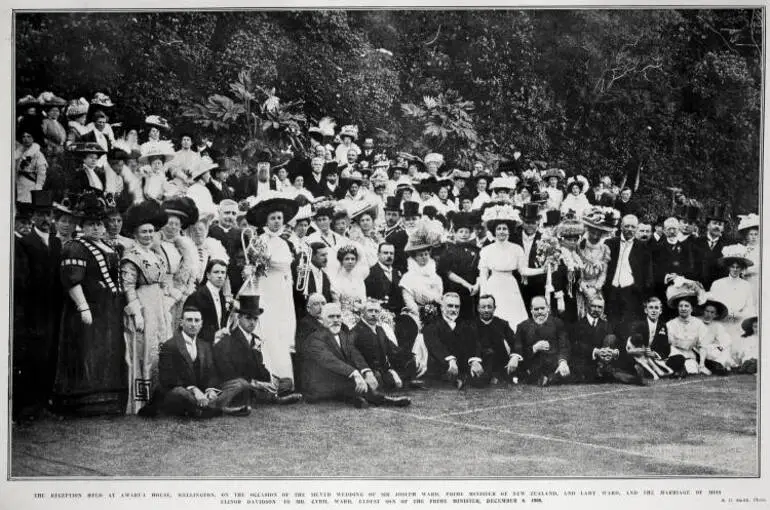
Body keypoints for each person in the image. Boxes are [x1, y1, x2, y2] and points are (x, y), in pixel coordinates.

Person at [53, 192, 126, 415]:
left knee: (106, 351)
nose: (96, 228)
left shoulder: (108, 246)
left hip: (108, 310)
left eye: (98, 224)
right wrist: (83, 307)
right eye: (90, 225)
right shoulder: (75, 247)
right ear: (82, 226)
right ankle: (81, 403)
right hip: (88, 310)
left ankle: (106, 400)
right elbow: (72, 280)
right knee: (86, 352)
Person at [301, 303, 410, 408]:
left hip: (338, 380)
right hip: (319, 386)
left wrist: (366, 371)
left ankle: (357, 398)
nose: (335, 320)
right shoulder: (314, 338)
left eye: (338, 317)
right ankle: (384, 400)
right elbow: (329, 360)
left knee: (366, 378)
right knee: (354, 382)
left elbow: (354, 354)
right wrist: (354, 373)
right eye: (331, 317)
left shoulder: (343, 335)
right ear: (322, 319)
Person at [121, 200, 173, 414]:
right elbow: (128, 287)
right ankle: (141, 402)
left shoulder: (157, 256)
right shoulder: (130, 257)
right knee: (143, 351)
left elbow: (164, 283)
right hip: (143, 306)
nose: (149, 235)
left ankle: (160, 398)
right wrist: (137, 314)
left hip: (158, 305)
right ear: (135, 233)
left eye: (151, 231)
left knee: (161, 349)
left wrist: (166, 302)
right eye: (144, 232)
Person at [15, 191, 63, 420]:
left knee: (51, 356)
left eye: (49, 215)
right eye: (41, 214)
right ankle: (28, 407)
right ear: (32, 217)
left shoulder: (55, 242)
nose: (46, 219)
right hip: (34, 312)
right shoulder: (25, 243)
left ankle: (44, 403)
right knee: (34, 357)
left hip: (53, 311)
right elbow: (23, 282)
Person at [156, 305, 251, 418]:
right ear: (181, 323)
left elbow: (211, 372)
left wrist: (210, 390)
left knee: (241, 383)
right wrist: (194, 390)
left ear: (201, 324)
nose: (193, 324)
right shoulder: (169, 345)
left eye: (197, 321)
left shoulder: (205, 345)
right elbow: (167, 378)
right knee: (179, 393)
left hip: (202, 394)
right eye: (189, 320)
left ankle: (205, 409)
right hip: (182, 392)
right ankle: (220, 409)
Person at [245, 192, 300, 388]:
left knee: (280, 330)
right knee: (266, 328)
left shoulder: (285, 243)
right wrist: (255, 264)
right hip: (264, 289)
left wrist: (266, 259)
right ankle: (267, 378)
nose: (277, 222)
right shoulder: (258, 240)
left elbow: (285, 265)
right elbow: (252, 262)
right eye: (273, 218)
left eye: (279, 218)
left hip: (280, 290)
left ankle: (284, 379)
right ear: (266, 221)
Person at [213, 295, 302, 405]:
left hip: (254, 383)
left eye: (255, 319)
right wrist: (257, 383)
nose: (252, 322)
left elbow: (259, 366)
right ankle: (274, 398)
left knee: (286, 381)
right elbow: (229, 372)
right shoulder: (228, 340)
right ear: (239, 317)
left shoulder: (255, 339)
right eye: (248, 318)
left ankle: (269, 394)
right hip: (238, 382)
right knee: (242, 386)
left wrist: (270, 379)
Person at [478, 204, 541, 331]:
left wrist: (542, 270)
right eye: (499, 229)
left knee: (514, 319)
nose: (502, 231)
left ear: (509, 231)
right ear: (494, 231)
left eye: (505, 229)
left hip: (510, 285)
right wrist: (483, 294)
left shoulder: (516, 249)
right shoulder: (486, 250)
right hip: (493, 285)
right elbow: (483, 275)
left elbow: (523, 270)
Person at [570, 296, 643, 385]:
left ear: (603, 309)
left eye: (599, 307)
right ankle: (606, 372)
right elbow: (576, 346)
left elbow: (617, 345)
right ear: (588, 306)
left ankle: (604, 369)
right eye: (594, 306)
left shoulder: (607, 325)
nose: (596, 309)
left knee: (611, 338)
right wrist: (596, 351)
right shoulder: (578, 325)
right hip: (587, 363)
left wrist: (614, 353)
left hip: (606, 362)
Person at [351, 299, 420, 391]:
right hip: (369, 372)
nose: (373, 314)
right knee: (380, 378)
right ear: (362, 313)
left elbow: (393, 349)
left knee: (409, 361)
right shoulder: (355, 332)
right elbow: (353, 354)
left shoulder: (380, 330)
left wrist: (412, 357)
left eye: (376, 311)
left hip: (383, 370)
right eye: (370, 311)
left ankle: (400, 380)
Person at [421, 293, 485, 388]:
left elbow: (475, 343)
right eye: (450, 306)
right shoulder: (432, 326)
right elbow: (435, 346)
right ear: (442, 307)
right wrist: (450, 360)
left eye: (457, 307)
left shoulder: (466, 325)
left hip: (462, 367)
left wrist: (474, 361)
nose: (454, 310)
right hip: (441, 367)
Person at [603, 214, 652, 328]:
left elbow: (647, 274)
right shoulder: (610, 243)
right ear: (621, 226)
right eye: (627, 226)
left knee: (627, 326)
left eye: (633, 227)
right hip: (611, 290)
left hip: (631, 292)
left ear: (636, 229)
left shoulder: (643, 248)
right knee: (611, 324)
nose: (630, 229)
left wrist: (643, 294)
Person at [512, 296, 571, 386]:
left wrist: (562, 362)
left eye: (542, 308)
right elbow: (518, 349)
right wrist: (534, 348)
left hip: (554, 366)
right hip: (532, 367)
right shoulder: (522, 327)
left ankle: (551, 378)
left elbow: (564, 345)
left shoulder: (558, 323)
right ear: (531, 310)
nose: (539, 312)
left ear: (548, 308)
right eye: (536, 309)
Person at [399, 219, 445, 324]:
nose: (424, 257)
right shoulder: (407, 278)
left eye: (426, 254)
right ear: (414, 257)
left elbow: (439, 296)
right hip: (416, 316)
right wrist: (422, 314)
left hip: (435, 314)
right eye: (420, 255)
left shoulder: (435, 277)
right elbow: (409, 302)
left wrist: (434, 311)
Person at [438, 211, 480, 320]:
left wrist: (476, 285)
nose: (464, 234)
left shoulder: (476, 250)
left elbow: (480, 270)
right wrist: (466, 284)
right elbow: (447, 272)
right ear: (455, 233)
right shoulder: (449, 250)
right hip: (454, 288)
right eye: (461, 231)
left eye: (467, 232)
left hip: (472, 290)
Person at [664, 281, 711, 377]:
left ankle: (684, 369)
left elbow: (703, 345)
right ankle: (677, 369)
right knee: (674, 361)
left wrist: (702, 364)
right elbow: (668, 344)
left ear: (691, 308)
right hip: (673, 356)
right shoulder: (670, 324)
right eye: (681, 306)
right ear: (677, 308)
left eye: (686, 306)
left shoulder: (699, 324)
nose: (683, 308)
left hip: (689, 357)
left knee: (691, 368)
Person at [709, 245, 755, 340]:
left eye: (738, 267)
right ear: (728, 267)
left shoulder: (746, 285)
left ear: (742, 268)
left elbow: (749, 307)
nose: (735, 269)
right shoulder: (717, 284)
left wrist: (738, 315)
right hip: (720, 323)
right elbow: (713, 304)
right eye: (732, 267)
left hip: (739, 324)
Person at [577, 206, 614, 319]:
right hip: (582, 286)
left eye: (598, 233)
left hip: (596, 289)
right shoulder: (580, 245)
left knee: (597, 314)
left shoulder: (605, 249)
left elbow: (604, 273)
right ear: (588, 230)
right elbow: (578, 270)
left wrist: (596, 288)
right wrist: (584, 287)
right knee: (582, 316)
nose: (595, 235)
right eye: (592, 232)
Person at [475, 294, 519, 384]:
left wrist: (514, 357)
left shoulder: (502, 324)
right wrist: (474, 361)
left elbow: (515, 342)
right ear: (478, 308)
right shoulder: (471, 325)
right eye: (483, 307)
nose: (486, 310)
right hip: (480, 365)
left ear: (494, 308)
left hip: (500, 365)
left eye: (489, 307)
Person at [187, 259, 230, 343]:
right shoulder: (196, 296)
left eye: (223, 272)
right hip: (201, 348)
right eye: (216, 272)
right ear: (208, 275)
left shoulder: (221, 296)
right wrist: (214, 335)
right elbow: (189, 327)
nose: (220, 276)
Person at [511, 203, 545, 310]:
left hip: (537, 283)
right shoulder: (514, 237)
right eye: (527, 222)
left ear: (538, 223)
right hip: (516, 282)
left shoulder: (544, 239)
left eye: (533, 223)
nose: (530, 226)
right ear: (522, 222)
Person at [330, 245, 368, 330]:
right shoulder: (336, 281)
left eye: (353, 259)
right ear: (341, 261)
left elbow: (363, 299)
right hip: (344, 315)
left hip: (361, 313)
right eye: (347, 259)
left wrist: (362, 309)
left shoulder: (359, 279)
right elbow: (337, 305)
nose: (350, 261)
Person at [693, 205, 730, 288]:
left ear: (723, 228)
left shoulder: (728, 245)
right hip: (698, 287)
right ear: (708, 225)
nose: (717, 226)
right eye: (714, 223)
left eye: (720, 224)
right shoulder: (696, 242)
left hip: (720, 288)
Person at [694, 297, 732, 375]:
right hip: (697, 350)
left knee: (725, 349)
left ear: (715, 315)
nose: (709, 314)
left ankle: (719, 366)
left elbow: (726, 340)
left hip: (710, 351)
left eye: (712, 312)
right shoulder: (696, 322)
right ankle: (704, 366)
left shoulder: (717, 326)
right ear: (703, 311)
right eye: (707, 311)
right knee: (702, 347)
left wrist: (719, 348)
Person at [365, 242, 404, 314]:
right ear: (378, 255)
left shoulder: (397, 273)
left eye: (391, 253)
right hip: (379, 315)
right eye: (385, 253)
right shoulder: (370, 273)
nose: (389, 256)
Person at [15, 123, 48, 203]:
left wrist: (38, 187)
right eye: (24, 136)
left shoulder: (37, 154)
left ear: (33, 138)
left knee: (27, 206)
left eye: (29, 136)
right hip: (17, 184)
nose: (26, 139)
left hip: (30, 186)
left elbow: (41, 172)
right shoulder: (18, 153)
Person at [736, 213, 759, 307]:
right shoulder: (742, 249)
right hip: (743, 280)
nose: (753, 237)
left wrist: (747, 271)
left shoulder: (761, 250)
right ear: (746, 236)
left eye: (756, 234)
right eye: (751, 234)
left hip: (755, 280)